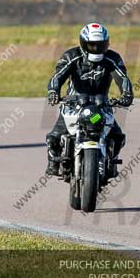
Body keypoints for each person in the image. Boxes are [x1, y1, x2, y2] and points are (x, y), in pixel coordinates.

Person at [45, 22, 133, 178]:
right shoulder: (71, 56)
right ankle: (54, 163)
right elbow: (57, 77)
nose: (96, 49)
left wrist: (126, 94)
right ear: (83, 43)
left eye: (100, 45)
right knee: (54, 137)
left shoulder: (112, 58)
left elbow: (122, 78)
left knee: (117, 136)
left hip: (99, 108)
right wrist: (53, 91)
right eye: (92, 45)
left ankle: (110, 161)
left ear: (107, 43)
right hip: (74, 105)